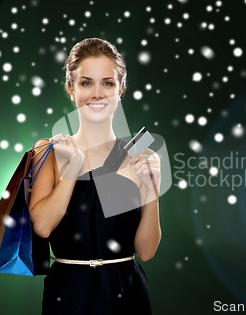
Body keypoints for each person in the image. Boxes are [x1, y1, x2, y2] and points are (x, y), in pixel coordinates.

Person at [28, 38, 161, 314]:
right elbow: (42, 226)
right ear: (71, 88)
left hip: (128, 291)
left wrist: (152, 190)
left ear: (121, 89)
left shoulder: (140, 154)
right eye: (86, 83)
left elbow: (146, 252)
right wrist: (72, 168)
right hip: (70, 291)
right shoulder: (49, 150)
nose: (97, 93)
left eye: (108, 83)